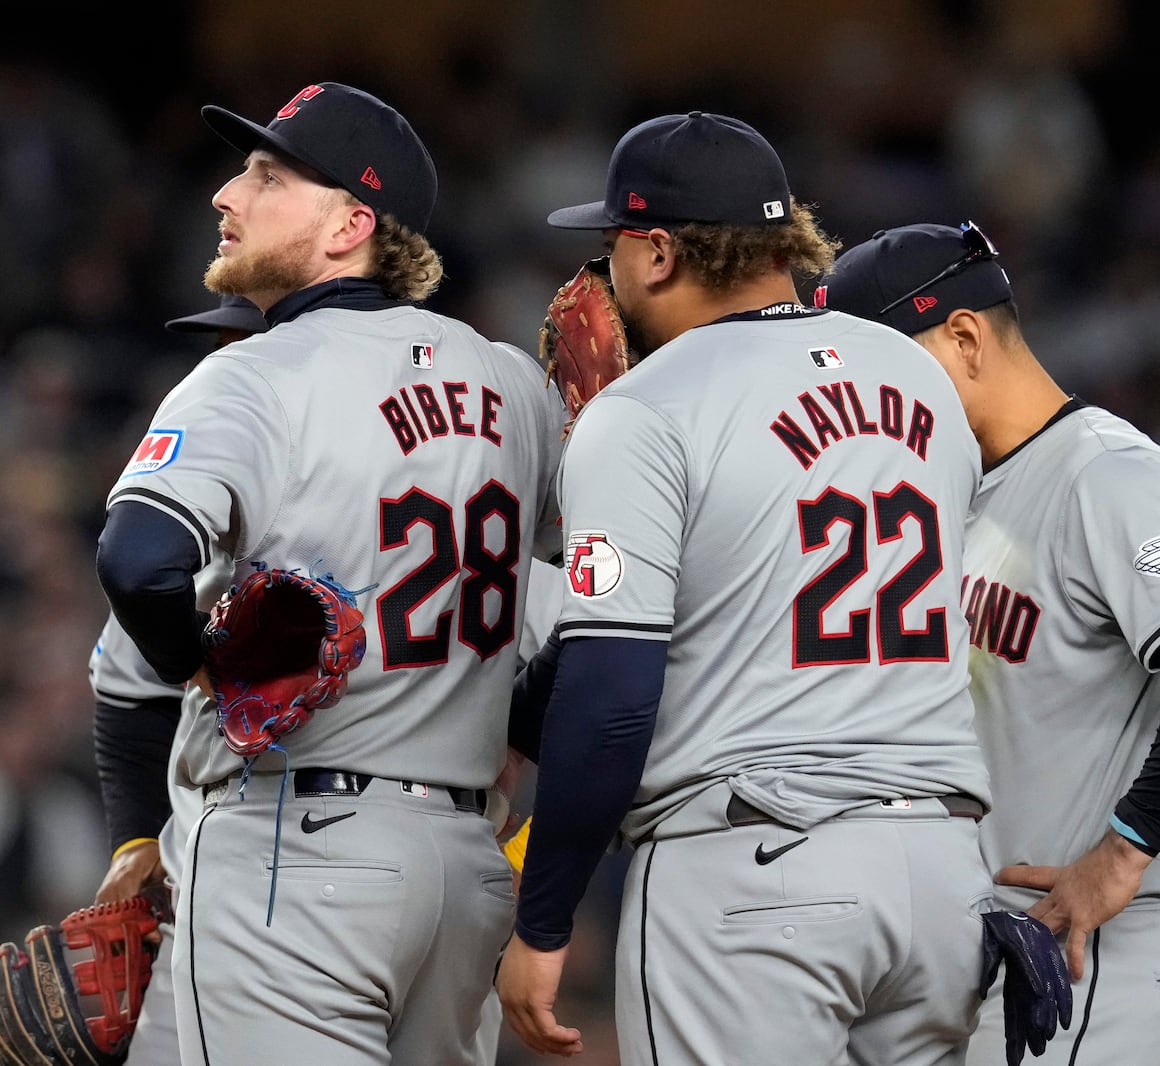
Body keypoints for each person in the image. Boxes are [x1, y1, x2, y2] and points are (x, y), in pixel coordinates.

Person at [496, 111, 996, 1066]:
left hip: (757, 875)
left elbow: (608, 700)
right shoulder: (918, 376)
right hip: (939, 873)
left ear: (656, 251)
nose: (605, 275)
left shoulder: (645, 410)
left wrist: (546, 920)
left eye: (611, 248)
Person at [95, 81, 566, 1066]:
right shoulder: (512, 381)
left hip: (293, 848)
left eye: (267, 177)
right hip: (464, 868)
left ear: (351, 223)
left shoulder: (254, 374)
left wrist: (204, 672)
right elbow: (596, 612)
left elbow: (137, 561)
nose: (227, 193)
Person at [818, 221, 1160, 1065]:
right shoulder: (953, 493)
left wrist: (1125, 849)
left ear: (965, 337)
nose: (868, 409)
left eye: (882, 376)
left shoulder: (1110, 476)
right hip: (997, 943)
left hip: (1110, 944)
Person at [89, 293, 268, 1066]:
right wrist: (135, 840)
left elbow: (563, 676)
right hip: (227, 869)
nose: (222, 364)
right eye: (220, 344)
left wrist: (525, 850)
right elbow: (126, 694)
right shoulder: (199, 549)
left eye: (244, 344)